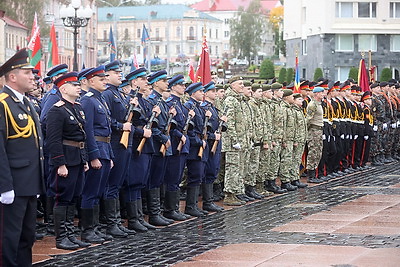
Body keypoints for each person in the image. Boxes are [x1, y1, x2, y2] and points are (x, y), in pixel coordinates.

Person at [0, 48, 45, 266]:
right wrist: (4, 186)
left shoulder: (26, 103)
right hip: (12, 185)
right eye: (27, 72)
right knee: (8, 239)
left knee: (27, 238)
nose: (32, 76)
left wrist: (37, 181)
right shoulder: (2, 103)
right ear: (12, 76)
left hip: (29, 183)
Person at [46, 72, 90, 250]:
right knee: (62, 198)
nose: (78, 87)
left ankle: (70, 234)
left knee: (73, 197)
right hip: (65, 159)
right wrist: (60, 163)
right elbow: (53, 140)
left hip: (77, 158)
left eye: (78, 84)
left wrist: (85, 159)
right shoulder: (56, 110)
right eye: (74, 84)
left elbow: (83, 136)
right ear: (63, 88)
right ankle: (61, 237)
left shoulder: (77, 107)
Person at [79, 66, 114, 243]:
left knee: (99, 191)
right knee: (90, 191)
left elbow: (107, 131)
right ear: (91, 81)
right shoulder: (88, 100)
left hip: (105, 149)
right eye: (101, 79)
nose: (105, 81)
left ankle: (95, 227)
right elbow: (88, 130)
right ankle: (87, 230)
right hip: (97, 149)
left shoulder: (100, 100)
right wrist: (93, 155)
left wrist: (110, 156)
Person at [101, 60, 134, 238]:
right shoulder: (107, 95)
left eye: (120, 72)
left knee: (118, 183)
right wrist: (121, 127)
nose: (120, 75)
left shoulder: (119, 94)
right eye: (116, 73)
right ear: (107, 75)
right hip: (115, 142)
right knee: (112, 184)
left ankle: (117, 221)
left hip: (124, 143)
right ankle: (111, 223)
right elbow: (107, 120)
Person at [124, 68, 158, 231]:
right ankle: (133, 219)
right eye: (142, 79)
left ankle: (138, 216)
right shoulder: (131, 99)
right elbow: (127, 124)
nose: (146, 82)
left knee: (139, 183)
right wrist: (141, 132)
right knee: (133, 182)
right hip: (136, 144)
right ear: (134, 82)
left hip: (145, 145)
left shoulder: (142, 101)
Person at [163, 74, 193, 220]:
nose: (184, 87)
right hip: (175, 144)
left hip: (182, 144)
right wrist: (179, 135)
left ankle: (174, 208)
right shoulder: (170, 103)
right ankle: (170, 209)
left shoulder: (180, 104)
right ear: (173, 86)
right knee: (172, 177)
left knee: (177, 177)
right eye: (181, 85)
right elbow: (169, 125)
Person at [221, 76, 246, 206]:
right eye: (240, 84)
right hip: (232, 142)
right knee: (232, 168)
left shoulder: (238, 99)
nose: (242, 86)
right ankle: (229, 195)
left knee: (238, 168)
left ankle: (235, 193)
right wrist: (234, 139)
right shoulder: (230, 100)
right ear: (232, 85)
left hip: (240, 140)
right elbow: (229, 122)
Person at [201, 81, 225, 212]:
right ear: (206, 93)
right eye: (212, 91)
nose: (215, 93)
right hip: (209, 143)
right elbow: (204, 128)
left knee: (213, 171)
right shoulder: (205, 107)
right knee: (208, 171)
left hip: (216, 142)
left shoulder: (213, 108)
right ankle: (207, 201)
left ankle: (209, 201)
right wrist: (212, 137)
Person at [306, 87, 324, 183]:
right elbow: (308, 119)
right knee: (313, 152)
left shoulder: (318, 104)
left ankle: (315, 173)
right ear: (316, 94)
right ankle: (311, 175)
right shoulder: (312, 105)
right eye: (321, 92)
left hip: (319, 130)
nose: (323, 94)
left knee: (318, 152)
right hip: (313, 130)